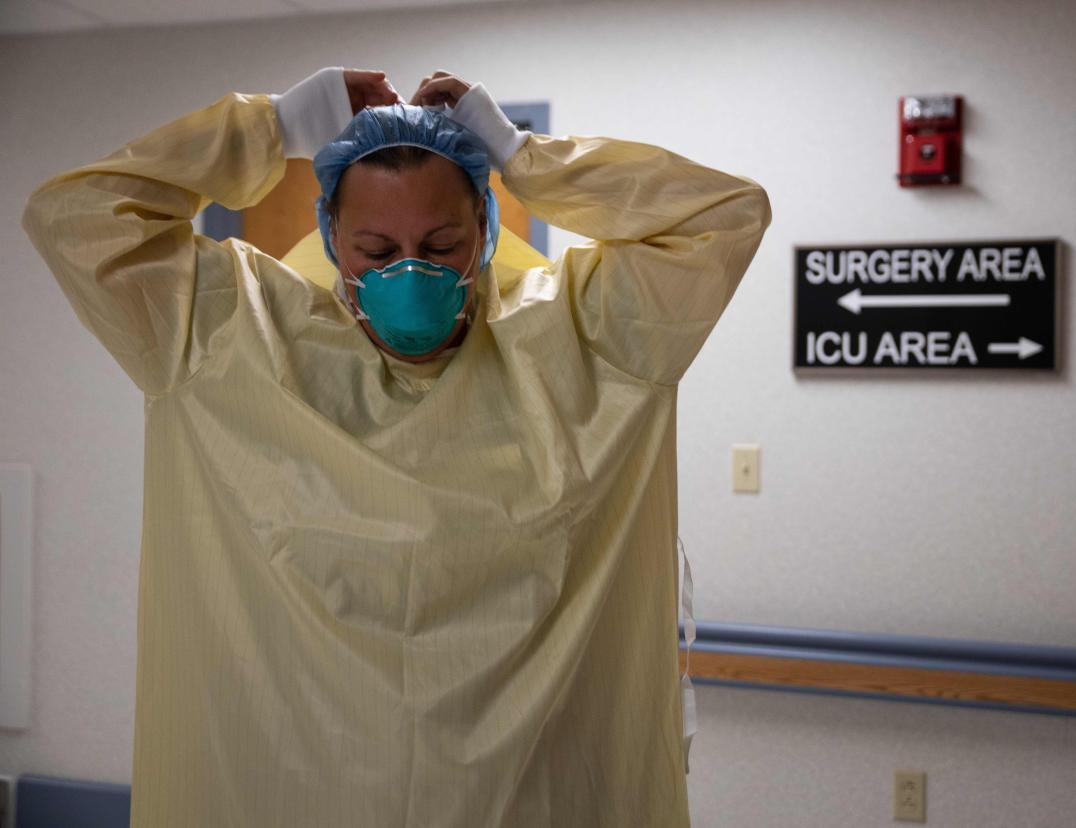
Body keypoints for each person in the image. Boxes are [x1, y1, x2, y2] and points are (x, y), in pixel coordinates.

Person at [22, 66, 771, 827]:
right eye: (375, 249)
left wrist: (522, 155)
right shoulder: (231, 338)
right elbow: (75, 215)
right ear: (329, 239)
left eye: (441, 243)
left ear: (484, 230)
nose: (408, 273)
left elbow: (725, 215)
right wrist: (273, 127)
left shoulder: (585, 339)